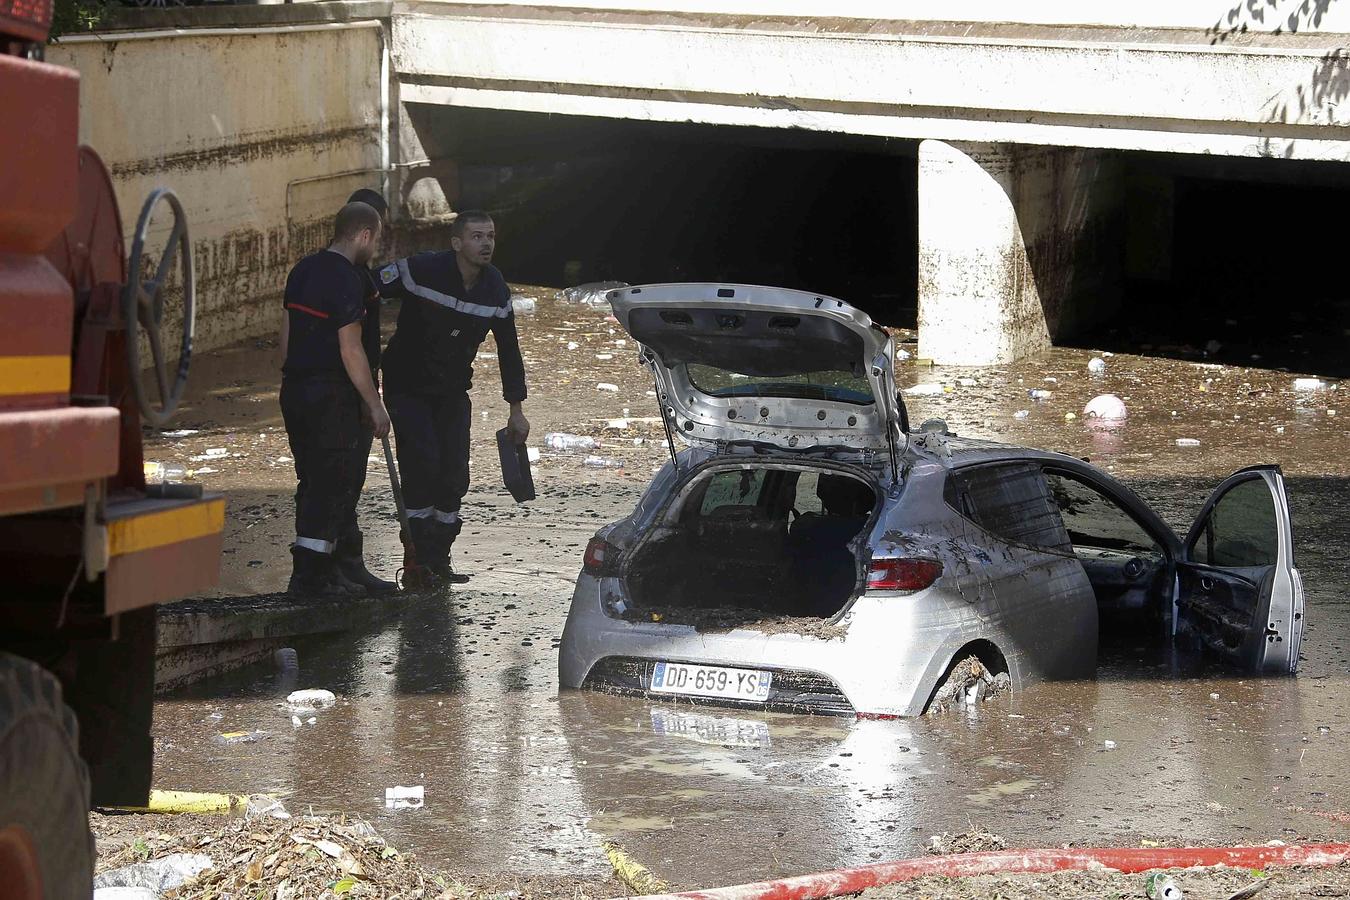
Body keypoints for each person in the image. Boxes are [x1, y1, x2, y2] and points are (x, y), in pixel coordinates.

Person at [376, 210, 530, 583]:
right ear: (457, 243)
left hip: (452, 389)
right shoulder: (422, 270)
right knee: (422, 465)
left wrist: (516, 409)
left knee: (455, 473)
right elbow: (367, 291)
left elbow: (510, 350)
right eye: (477, 237)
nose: (486, 243)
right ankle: (417, 560)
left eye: (490, 236)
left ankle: (439, 557)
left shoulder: (495, 289)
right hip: (407, 386)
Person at [278, 201, 392, 597]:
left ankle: (336, 571)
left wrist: (294, 381)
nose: (374, 249)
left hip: (296, 390)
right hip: (332, 394)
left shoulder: (302, 270)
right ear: (363, 235)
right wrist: (373, 402)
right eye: (375, 240)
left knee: (312, 479)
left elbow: (287, 337)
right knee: (334, 483)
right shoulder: (347, 279)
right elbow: (351, 349)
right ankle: (311, 578)